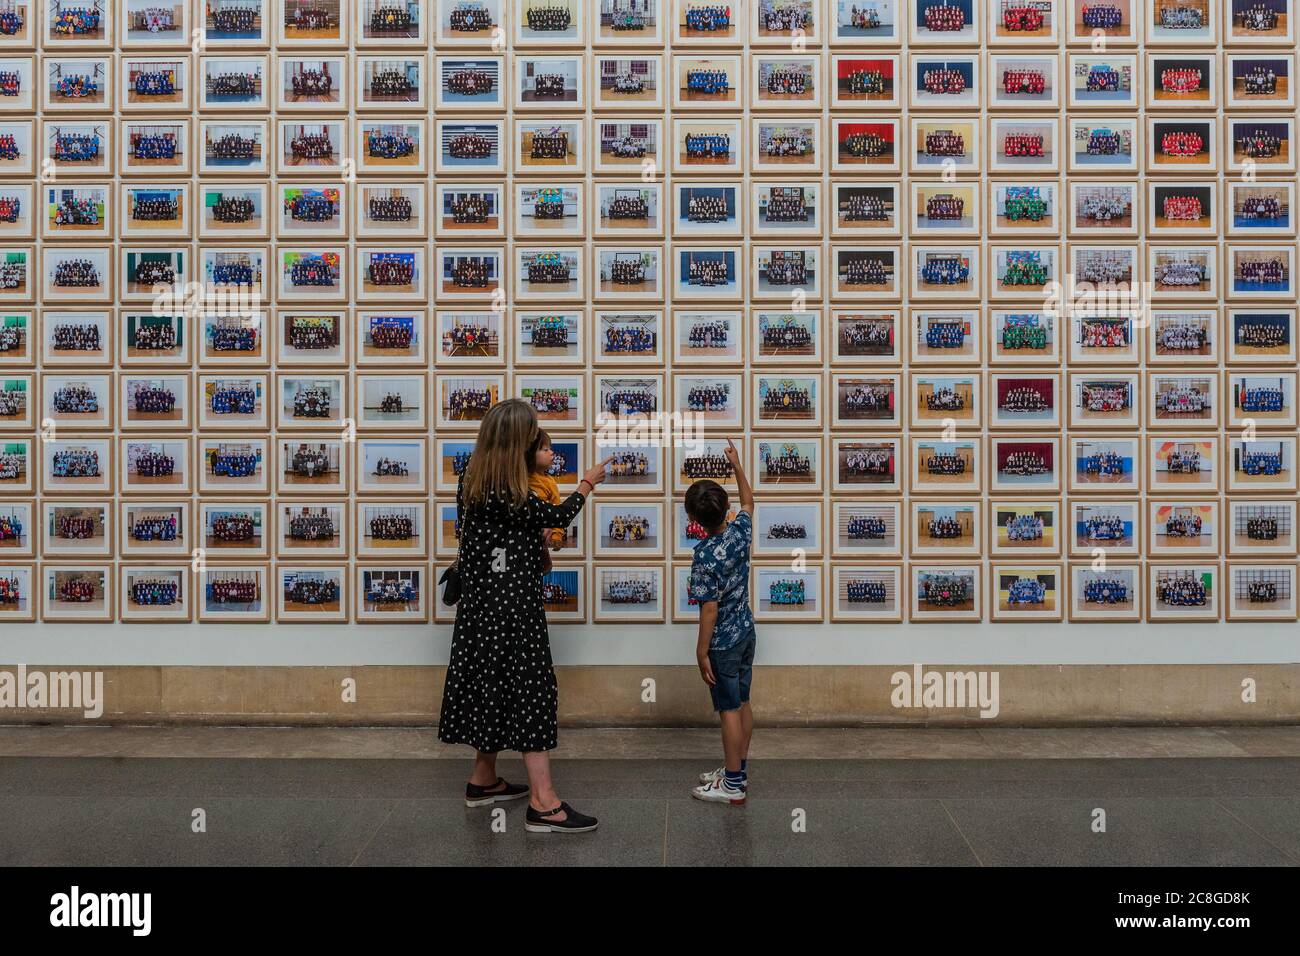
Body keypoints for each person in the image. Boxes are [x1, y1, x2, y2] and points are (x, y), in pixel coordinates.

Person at [439, 398, 612, 833]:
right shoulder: (510, 490)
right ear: (517, 441)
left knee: (492, 685)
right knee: (532, 690)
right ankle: (544, 804)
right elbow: (555, 515)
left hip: (481, 610)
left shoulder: (472, 479)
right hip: (512, 609)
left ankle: (483, 780)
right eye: (533, 433)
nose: (539, 439)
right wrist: (587, 483)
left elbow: (507, 535)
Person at [685, 437, 756, 805]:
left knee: (727, 709)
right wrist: (737, 465)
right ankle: (737, 769)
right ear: (725, 509)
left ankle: (732, 785)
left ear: (694, 521)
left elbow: (708, 608)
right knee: (742, 702)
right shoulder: (740, 532)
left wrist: (701, 651)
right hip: (746, 632)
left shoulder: (704, 556)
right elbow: (749, 501)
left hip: (723, 644)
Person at [528, 429, 568, 558]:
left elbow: (557, 509)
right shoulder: (519, 478)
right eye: (545, 450)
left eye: (550, 449)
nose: (551, 453)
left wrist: (557, 535)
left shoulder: (550, 482)